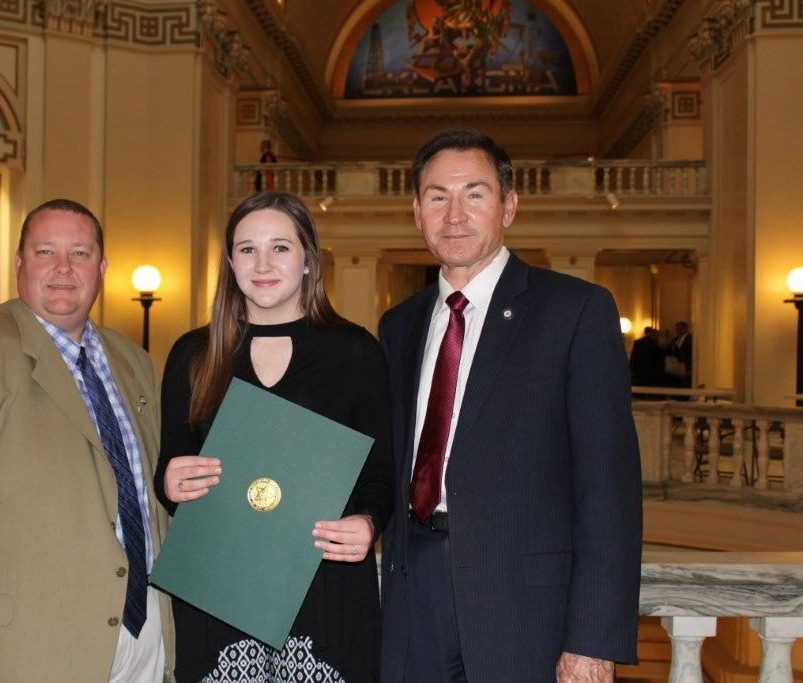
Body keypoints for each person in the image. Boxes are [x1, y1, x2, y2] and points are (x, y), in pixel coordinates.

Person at [378, 129, 642, 682]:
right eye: (436, 196)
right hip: (412, 597)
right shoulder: (398, 325)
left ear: (509, 206)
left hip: (524, 611)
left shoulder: (575, 312)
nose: (455, 214)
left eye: (475, 194)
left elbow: (608, 491)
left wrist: (592, 640)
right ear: (416, 212)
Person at [0, 199, 175, 682]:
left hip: (141, 637)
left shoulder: (135, 361)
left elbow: (151, 496)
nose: (64, 268)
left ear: (101, 269)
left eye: (80, 254)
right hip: (23, 646)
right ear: (19, 263)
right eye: (45, 252)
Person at [154, 191, 393, 682]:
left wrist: (368, 523)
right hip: (220, 589)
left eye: (280, 248)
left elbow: (381, 473)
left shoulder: (355, 352)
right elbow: (173, 468)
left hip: (323, 585)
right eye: (247, 249)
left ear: (308, 258)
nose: (263, 264)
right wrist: (171, 483)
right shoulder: (193, 354)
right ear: (229, 261)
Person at [666, 321, 693, 386]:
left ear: (685, 329)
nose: (676, 330)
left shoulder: (691, 339)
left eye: (678, 328)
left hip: (687, 370)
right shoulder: (675, 340)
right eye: (676, 328)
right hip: (675, 370)